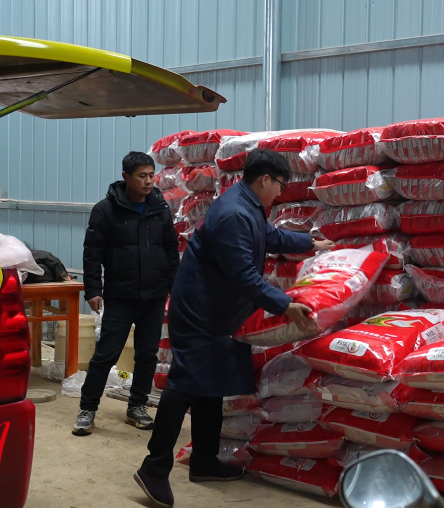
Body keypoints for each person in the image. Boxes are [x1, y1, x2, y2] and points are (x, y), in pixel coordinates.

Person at [133, 149, 334, 507]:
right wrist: (285, 305)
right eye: (280, 185)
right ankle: (154, 467)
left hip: (216, 312)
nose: (281, 193)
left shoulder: (248, 205)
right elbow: (244, 275)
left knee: (210, 386)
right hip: (198, 313)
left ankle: (204, 461)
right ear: (265, 179)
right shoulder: (234, 214)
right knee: (184, 385)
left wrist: (310, 243)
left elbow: (269, 237)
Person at [73, 151, 179, 436]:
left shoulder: (159, 207)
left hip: (153, 296)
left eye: (151, 175)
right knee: (106, 354)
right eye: (142, 176)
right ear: (126, 177)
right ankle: (87, 409)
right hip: (120, 295)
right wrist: (93, 290)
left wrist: (174, 287)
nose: (149, 181)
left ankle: (137, 407)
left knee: (147, 354)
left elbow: (170, 249)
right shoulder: (106, 210)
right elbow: (92, 253)